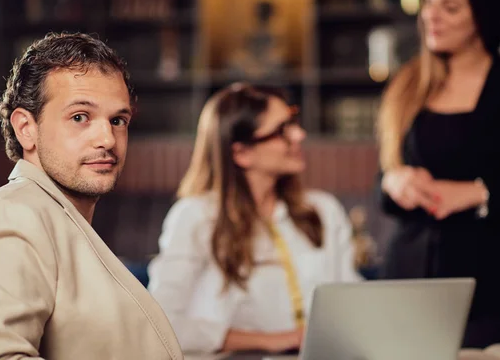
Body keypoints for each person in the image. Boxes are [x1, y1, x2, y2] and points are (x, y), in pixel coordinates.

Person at [0, 32, 183, 359]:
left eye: (118, 120)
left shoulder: (54, 218)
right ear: (26, 128)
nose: (108, 139)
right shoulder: (14, 216)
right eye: (80, 117)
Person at [376, 0, 500, 349]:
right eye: (429, 3)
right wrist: (394, 182)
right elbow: (382, 185)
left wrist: (480, 193)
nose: (432, 16)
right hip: (406, 279)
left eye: (450, 7)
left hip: (491, 284)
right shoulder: (408, 83)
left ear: (483, 14)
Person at [148, 82, 361, 354]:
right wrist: (275, 341)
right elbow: (161, 322)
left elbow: (351, 298)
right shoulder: (195, 216)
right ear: (241, 153)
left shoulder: (323, 210)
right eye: (282, 130)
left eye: (293, 122)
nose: (299, 134)